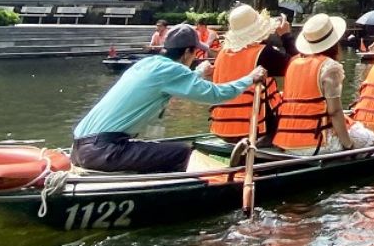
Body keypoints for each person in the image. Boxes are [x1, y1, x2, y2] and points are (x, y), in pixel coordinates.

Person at [71, 24, 266, 173]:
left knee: (164, 150)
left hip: (79, 148)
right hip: (104, 150)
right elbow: (216, 95)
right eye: (195, 51)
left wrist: (197, 72)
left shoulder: (147, 63)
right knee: (182, 152)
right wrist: (250, 78)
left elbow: (169, 84)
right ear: (189, 51)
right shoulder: (173, 70)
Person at [274, 13, 364, 154]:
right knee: (373, 139)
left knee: (353, 125)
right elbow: (334, 111)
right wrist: (348, 145)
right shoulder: (329, 67)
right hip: (316, 143)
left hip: (286, 142)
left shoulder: (293, 62)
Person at [209, 4, 297, 143]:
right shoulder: (263, 53)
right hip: (256, 130)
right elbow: (299, 66)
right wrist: (286, 36)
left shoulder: (223, 53)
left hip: (222, 129)